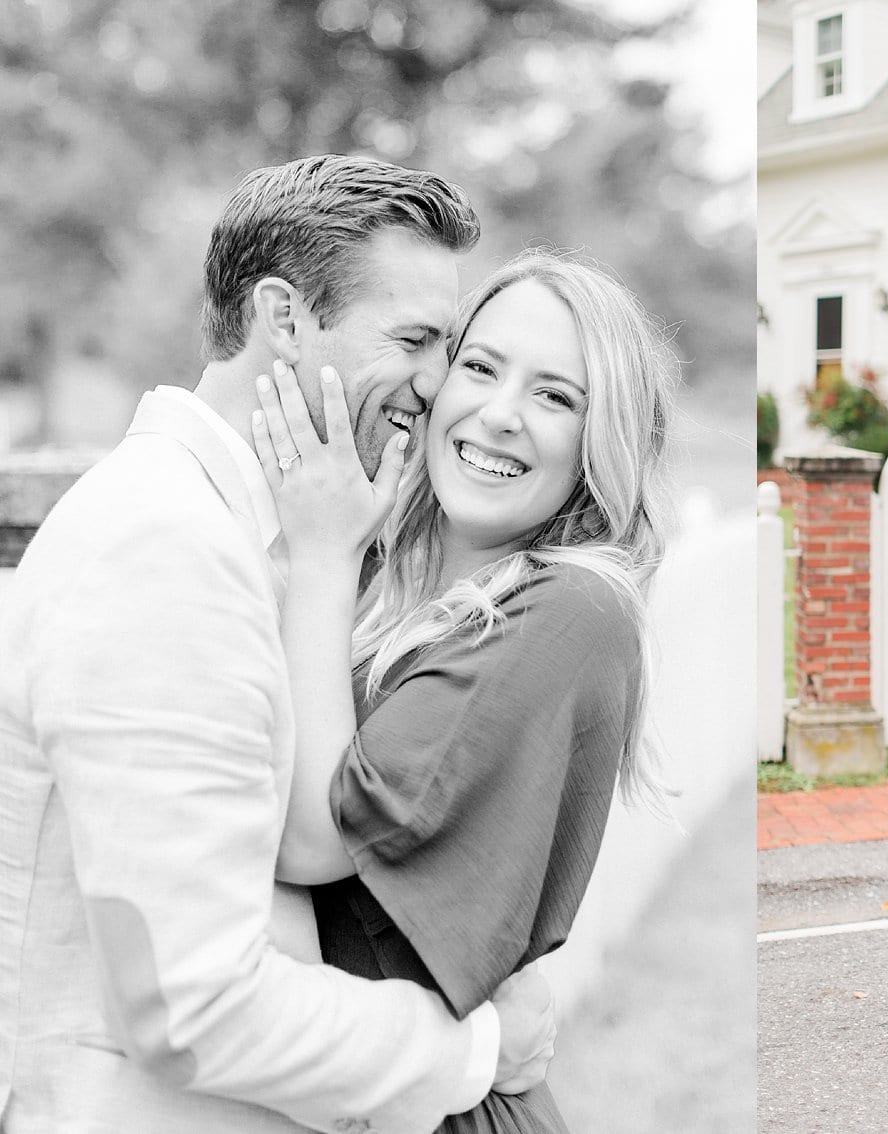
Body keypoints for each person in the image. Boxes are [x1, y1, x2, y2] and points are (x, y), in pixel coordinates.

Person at [0, 155, 555, 1134]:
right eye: (415, 339)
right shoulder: (162, 547)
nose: (438, 387)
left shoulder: (253, 542)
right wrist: (475, 1049)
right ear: (284, 319)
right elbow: (191, 1003)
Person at [251, 247, 675, 1133]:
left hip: (437, 1112)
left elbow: (311, 842)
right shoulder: (377, 583)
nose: (500, 414)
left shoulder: (573, 606)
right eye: (479, 368)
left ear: (606, 436)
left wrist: (321, 555)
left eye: (557, 396)